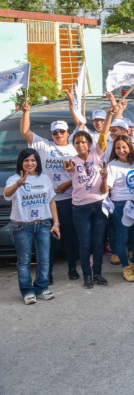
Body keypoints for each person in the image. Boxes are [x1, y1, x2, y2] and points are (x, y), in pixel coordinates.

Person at [19, 104, 78, 282]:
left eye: (61, 132)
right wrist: (26, 112)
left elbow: (83, 174)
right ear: (51, 134)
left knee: (70, 238)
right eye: (55, 133)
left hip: (69, 200)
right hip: (48, 202)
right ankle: (48, 274)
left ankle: (72, 269)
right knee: (49, 240)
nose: (59, 135)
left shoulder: (75, 148)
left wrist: (68, 183)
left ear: (68, 132)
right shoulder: (44, 146)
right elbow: (25, 132)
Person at [63, 102, 118, 289]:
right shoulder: (72, 160)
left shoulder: (97, 155)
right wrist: (69, 167)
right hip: (80, 208)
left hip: (98, 205)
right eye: (77, 142)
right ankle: (87, 275)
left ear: (89, 144)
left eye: (83, 142)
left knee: (97, 243)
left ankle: (98, 275)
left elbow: (104, 135)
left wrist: (110, 114)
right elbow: (68, 167)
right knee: (85, 243)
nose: (80, 145)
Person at [4, 149, 59, 304]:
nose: (30, 163)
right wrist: (17, 184)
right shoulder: (14, 179)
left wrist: (56, 223)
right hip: (22, 227)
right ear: (21, 162)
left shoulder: (45, 178)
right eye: (26, 160)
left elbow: (51, 201)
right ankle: (27, 291)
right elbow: (7, 194)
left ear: (37, 162)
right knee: (24, 260)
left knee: (44, 259)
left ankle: (42, 288)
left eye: (33, 160)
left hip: (43, 225)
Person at [102, 134, 134, 282]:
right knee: (122, 238)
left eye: (124, 147)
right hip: (120, 205)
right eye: (118, 147)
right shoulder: (112, 166)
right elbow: (105, 189)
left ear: (130, 148)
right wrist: (103, 178)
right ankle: (125, 267)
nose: (121, 150)